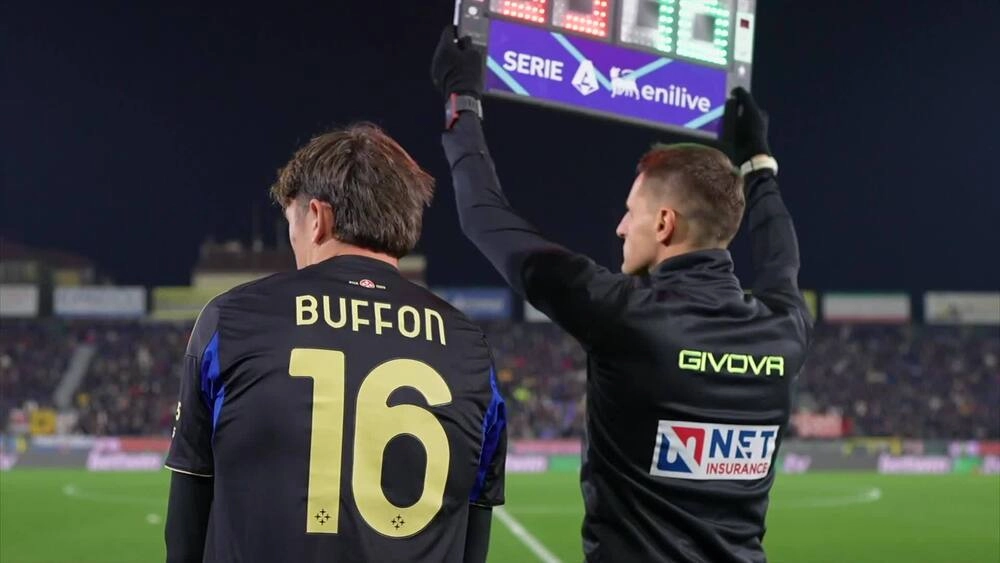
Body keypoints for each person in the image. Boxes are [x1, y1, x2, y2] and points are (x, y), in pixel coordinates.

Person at [431, 27, 812, 563]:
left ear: (664, 223)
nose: (620, 226)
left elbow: (484, 217)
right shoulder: (783, 329)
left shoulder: (625, 316)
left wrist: (461, 102)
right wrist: (759, 164)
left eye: (631, 212)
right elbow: (781, 261)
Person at [163, 122, 507, 563]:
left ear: (317, 218)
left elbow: (186, 526)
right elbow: (474, 535)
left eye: (292, 222)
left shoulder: (230, 320)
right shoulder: (471, 348)